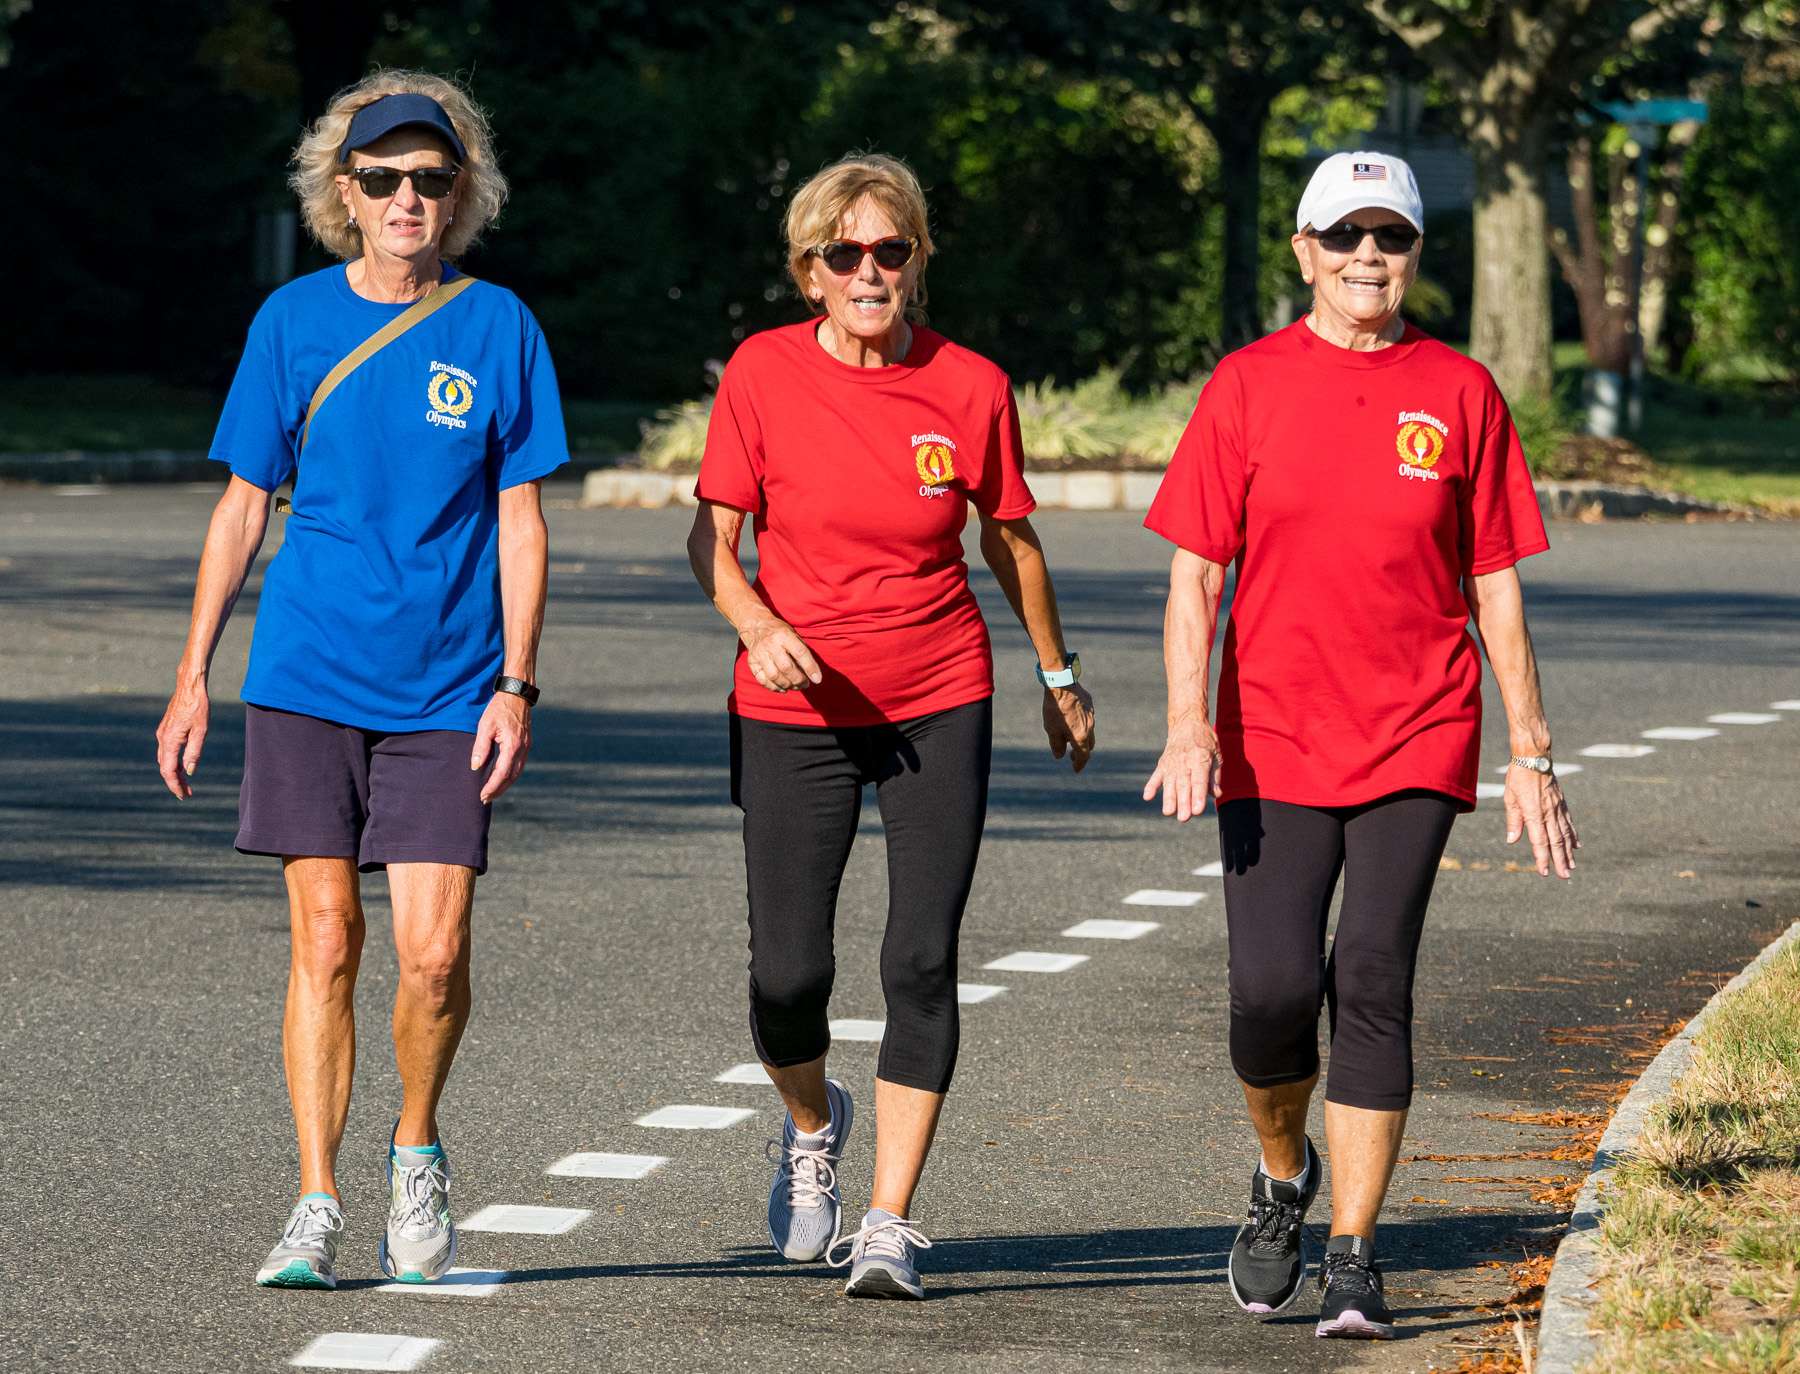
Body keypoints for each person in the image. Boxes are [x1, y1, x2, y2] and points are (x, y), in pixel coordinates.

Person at [1142, 150, 1580, 1340]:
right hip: (1272, 736)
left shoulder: (1460, 391)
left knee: (1374, 977)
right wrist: (1188, 723)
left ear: (1416, 253)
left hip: (1417, 730)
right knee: (1272, 994)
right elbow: (1195, 574)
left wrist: (1531, 751)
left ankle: (1353, 1250)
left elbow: (1495, 583)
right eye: (1344, 236)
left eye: (1390, 237)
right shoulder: (1247, 386)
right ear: (1305, 252)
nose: (1367, 257)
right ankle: (1284, 1177)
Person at [154, 71, 567, 1289]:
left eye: (430, 178)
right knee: (327, 940)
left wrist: (518, 685)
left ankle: (415, 1152)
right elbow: (243, 508)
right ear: (344, 191)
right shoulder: (290, 323)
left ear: (460, 192)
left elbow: (523, 522)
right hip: (307, 672)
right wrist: (192, 677)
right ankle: (316, 1199)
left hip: (449, 685)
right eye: (382, 177)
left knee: (432, 954)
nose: (406, 198)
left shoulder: (500, 328)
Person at [687, 153, 1096, 1300]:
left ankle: (889, 1219)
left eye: (890, 250)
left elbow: (1009, 539)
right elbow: (711, 537)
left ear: (917, 261)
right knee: (788, 975)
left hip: (938, 692)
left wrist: (1059, 676)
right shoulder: (762, 374)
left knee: (919, 958)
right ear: (808, 270)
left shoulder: (970, 386)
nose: (868, 272)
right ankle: (813, 1125)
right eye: (844, 253)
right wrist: (757, 622)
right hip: (795, 701)